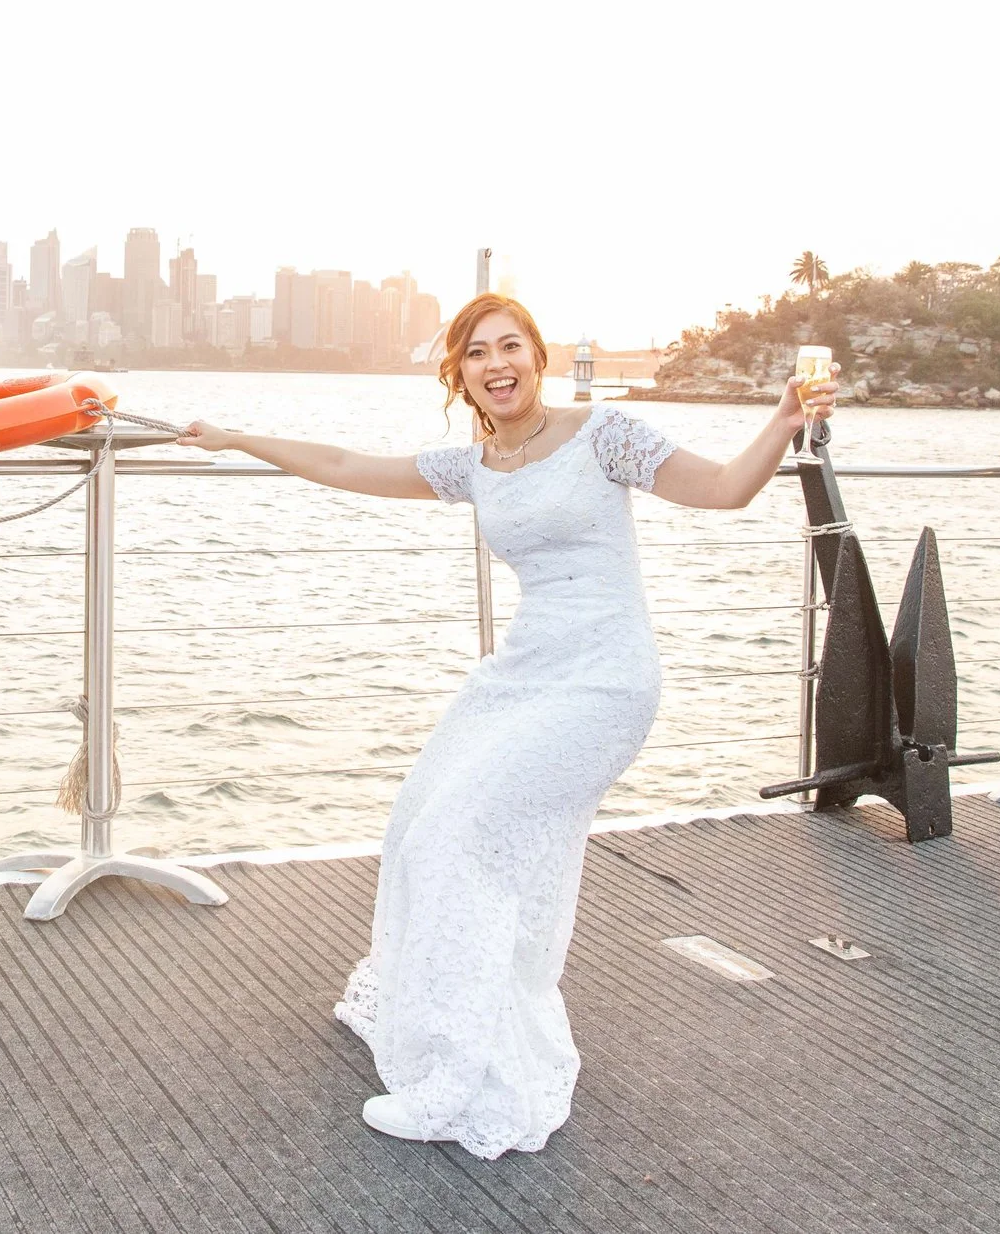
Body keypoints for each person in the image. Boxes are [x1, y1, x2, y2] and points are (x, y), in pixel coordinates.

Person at [175, 293, 837, 1158]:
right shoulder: (475, 465)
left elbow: (723, 491)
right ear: (463, 374)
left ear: (538, 354)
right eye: (478, 352)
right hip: (522, 672)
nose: (498, 363)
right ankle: (454, 1010)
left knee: (463, 832)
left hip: (603, 680)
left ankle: (460, 1076)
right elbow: (344, 460)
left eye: (511, 345)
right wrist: (235, 437)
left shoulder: (606, 435)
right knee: (419, 817)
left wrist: (785, 419)